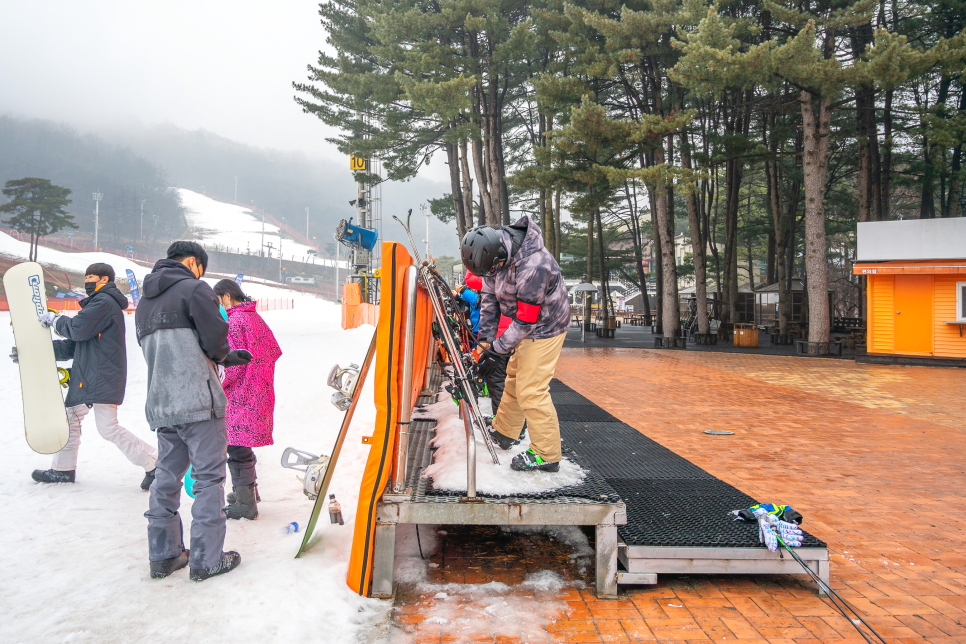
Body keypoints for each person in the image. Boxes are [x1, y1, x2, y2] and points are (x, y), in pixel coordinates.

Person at [135, 241, 252, 581]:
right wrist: (225, 354)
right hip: (199, 402)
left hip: (162, 403)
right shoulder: (194, 288)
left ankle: (164, 555)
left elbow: (167, 349)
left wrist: (224, 355)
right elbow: (214, 338)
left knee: (165, 479)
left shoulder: (144, 301)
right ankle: (206, 559)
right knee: (208, 479)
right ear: (192, 262)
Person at [24, 263, 158, 487]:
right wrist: (33, 353)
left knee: (107, 427)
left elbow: (76, 328)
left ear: (104, 280)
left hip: (100, 374)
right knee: (71, 418)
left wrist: (56, 320)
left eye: (91, 277)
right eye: (85, 276)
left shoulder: (103, 302)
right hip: (92, 373)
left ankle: (155, 464)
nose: (87, 280)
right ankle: (63, 470)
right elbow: (76, 344)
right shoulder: (99, 303)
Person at [463, 216, 571, 473]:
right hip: (525, 325)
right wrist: (486, 344)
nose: (491, 276)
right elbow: (489, 301)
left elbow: (525, 321)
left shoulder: (535, 266)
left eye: (491, 271)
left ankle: (547, 453)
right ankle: (504, 431)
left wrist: (497, 349)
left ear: (501, 254)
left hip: (546, 327)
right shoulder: (493, 259)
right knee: (513, 378)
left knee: (531, 389)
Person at [212, 279, 282, 521]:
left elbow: (232, 364)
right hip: (260, 390)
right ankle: (249, 492)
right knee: (242, 444)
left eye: (218, 300)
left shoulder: (234, 320)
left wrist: (215, 383)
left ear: (227, 296)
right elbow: (273, 350)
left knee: (236, 447)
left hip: (241, 394)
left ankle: (246, 503)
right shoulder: (254, 317)